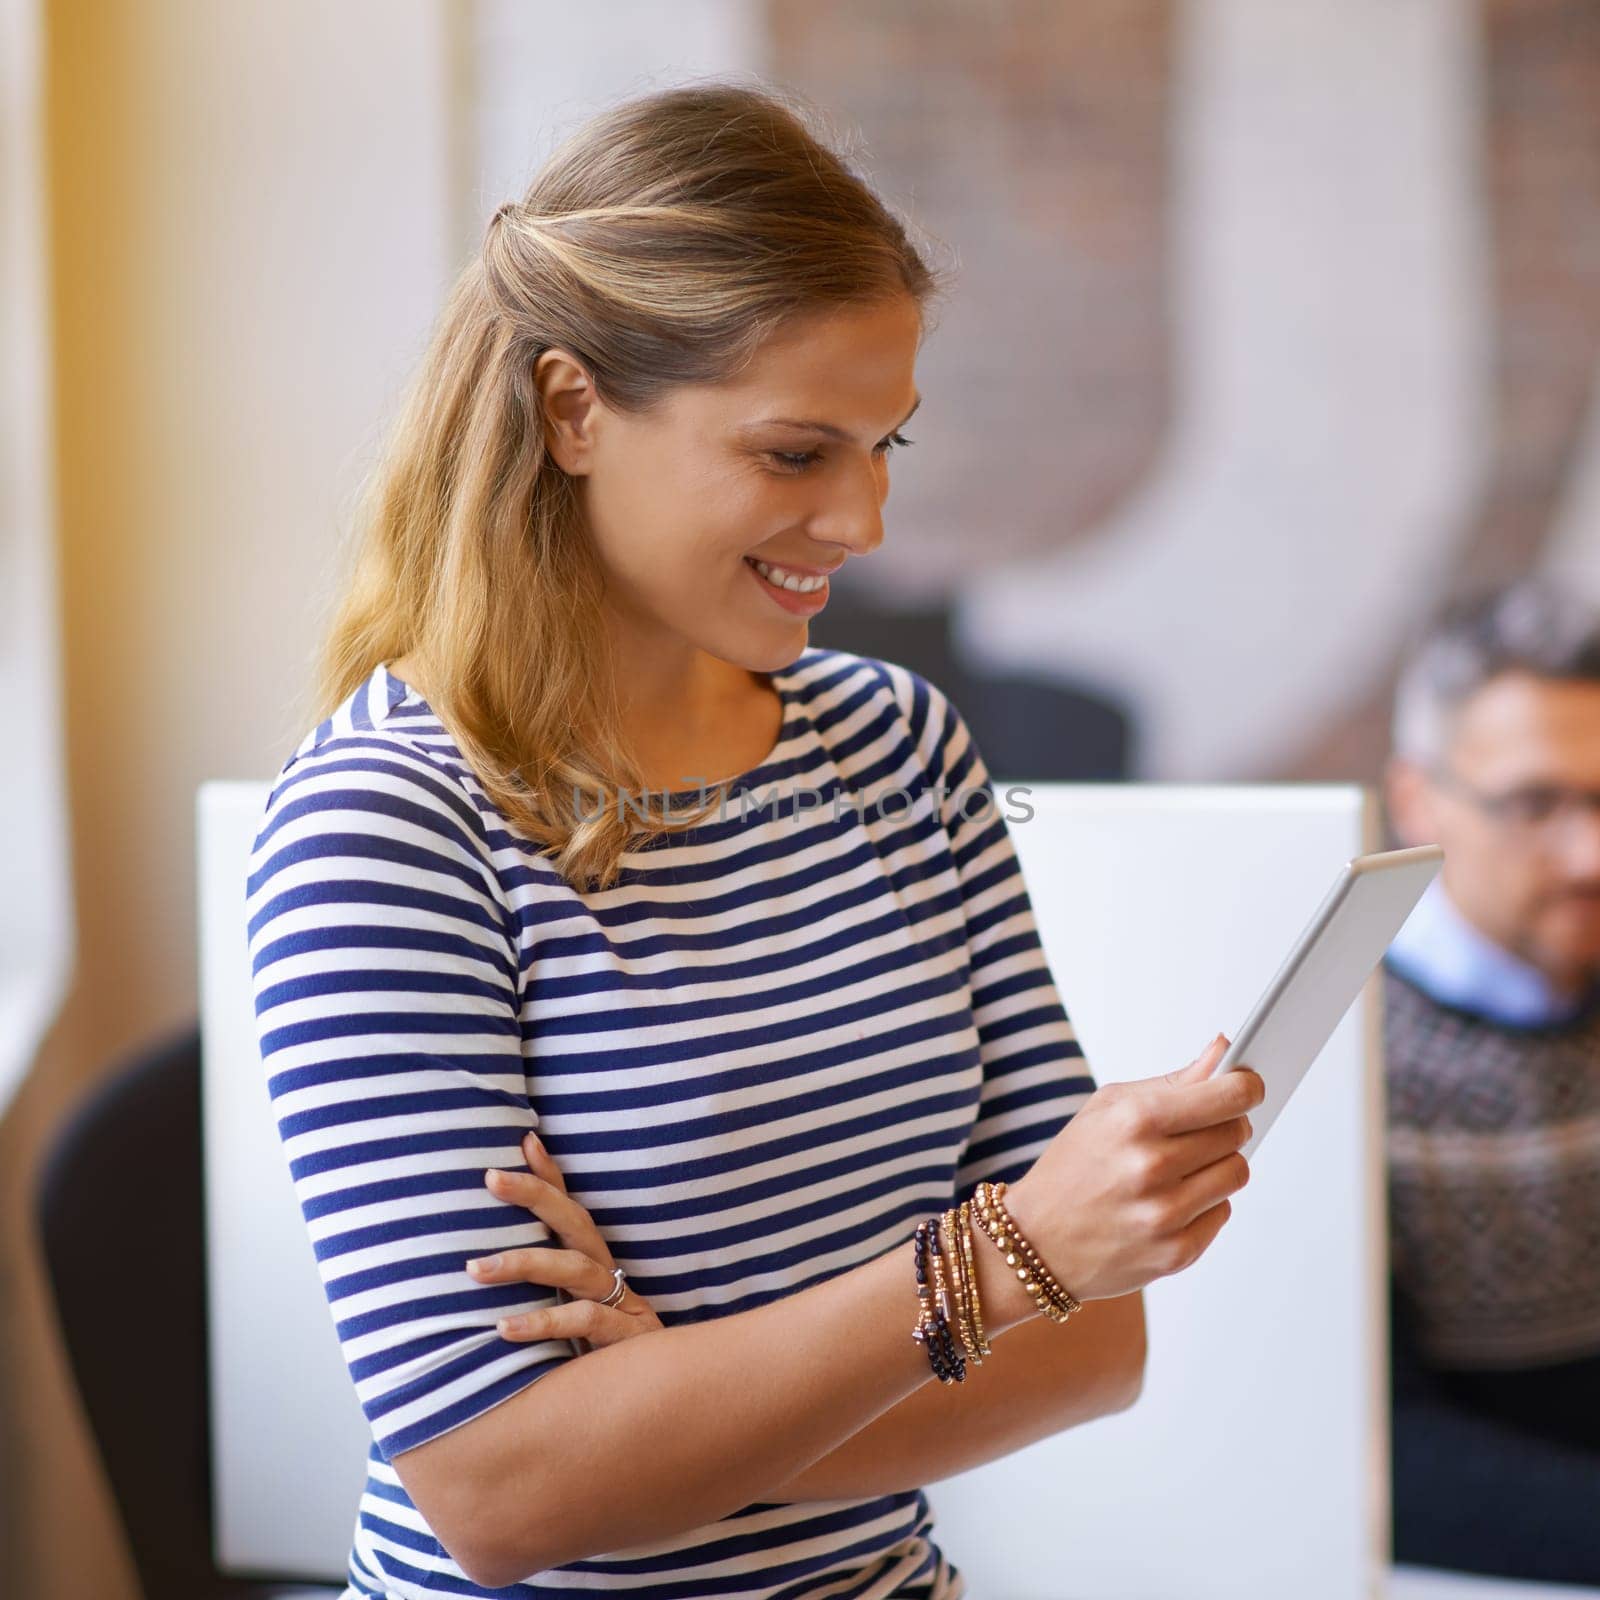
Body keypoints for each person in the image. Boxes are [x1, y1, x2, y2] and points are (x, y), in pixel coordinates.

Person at [247, 81, 1262, 1599]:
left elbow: (1092, 1347)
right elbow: (507, 1497)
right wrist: (987, 1266)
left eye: (883, 445)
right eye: (796, 454)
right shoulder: (386, 826)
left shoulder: (895, 743)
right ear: (573, 408)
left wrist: (670, 1408)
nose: (861, 522)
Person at [1382, 577, 1600, 1584]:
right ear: (1416, 798)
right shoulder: (1337, 1062)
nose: (1588, 854)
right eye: (1534, 802)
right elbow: (1387, 1452)